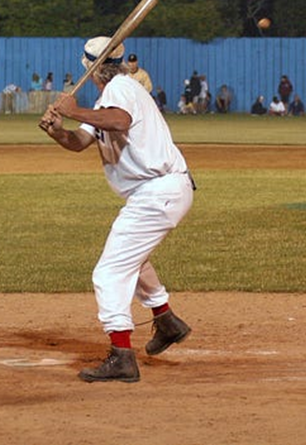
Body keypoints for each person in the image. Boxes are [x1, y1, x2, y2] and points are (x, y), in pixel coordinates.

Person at [38, 36, 194, 383]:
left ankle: (122, 355)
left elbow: (120, 122)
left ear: (90, 68)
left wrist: (72, 109)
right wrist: (58, 131)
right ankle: (167, 321)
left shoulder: (121, 88)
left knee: (108, 272)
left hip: (158, 190)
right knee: (133, 261)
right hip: (155, 193)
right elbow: (80, 142)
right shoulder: (109, 98)